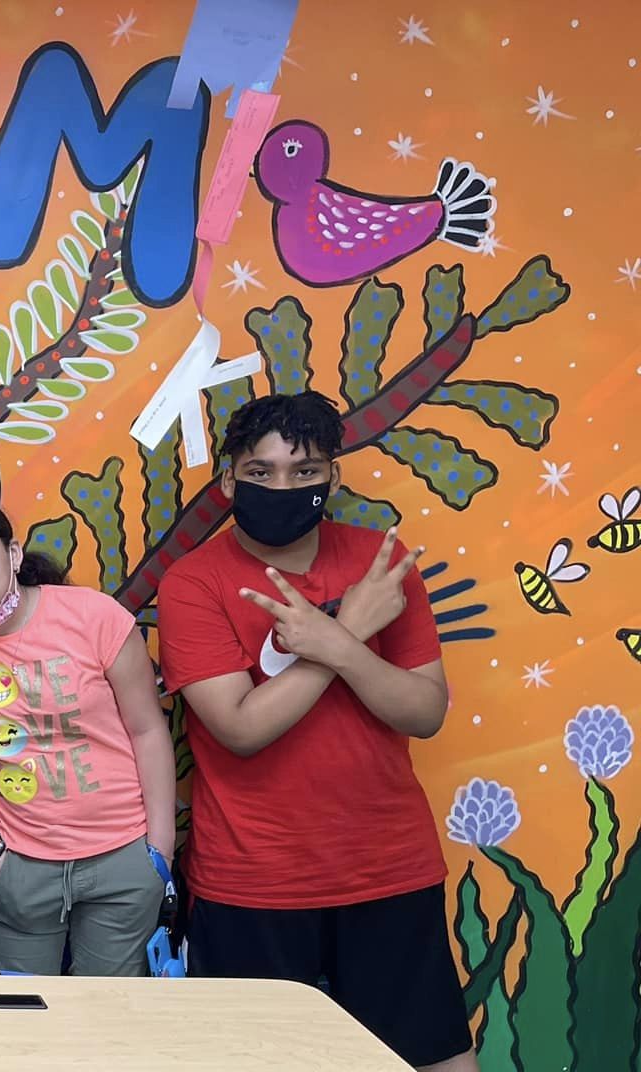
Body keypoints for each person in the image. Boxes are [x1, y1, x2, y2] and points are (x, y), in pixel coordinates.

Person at [156, 391, 470, 1072]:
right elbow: (241, 728)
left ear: (333, 477)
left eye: (305, 471)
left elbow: (424, 712)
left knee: (434, 1057)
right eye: (260, 471)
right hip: (254, 880)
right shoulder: (192, 583)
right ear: (229, 480)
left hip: (389, 868)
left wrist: (338, 643)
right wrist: (348, 631)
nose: (282, 487)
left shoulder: (382, 565)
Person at [0, 498, 176, 976]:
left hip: (123, 853)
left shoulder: (95, 615)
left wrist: (158, 852)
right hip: (18, 862)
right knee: (19, 1013)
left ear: (13, 554)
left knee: (110, 1010)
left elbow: (147, 729)